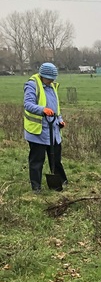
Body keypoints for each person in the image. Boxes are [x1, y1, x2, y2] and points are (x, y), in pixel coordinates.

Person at [23, 62, 67, 193]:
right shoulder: (32, 85)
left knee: (56, 159)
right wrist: (43, 110)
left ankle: (62, 181)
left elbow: (55, 108)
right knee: (37, 161)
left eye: (53, 79)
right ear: (42, 76)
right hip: (38, 131)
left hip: (53, 129)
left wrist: (60, 120)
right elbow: (28, 104)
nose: (51, 81)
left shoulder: (52, 86)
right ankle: (36, 187)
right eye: (49, 78)